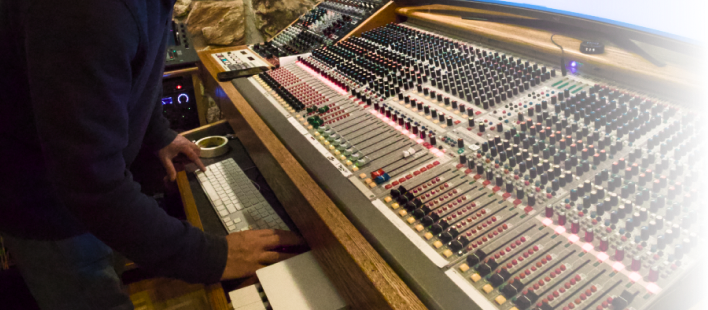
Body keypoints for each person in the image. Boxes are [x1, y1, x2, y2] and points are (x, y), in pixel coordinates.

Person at [0, 1, 306, 309]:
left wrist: (158, 133)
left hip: (92, 196)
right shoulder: (86, 10)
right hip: (49, 210)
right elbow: (90, 184)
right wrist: (212, 256)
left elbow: (132, 67)